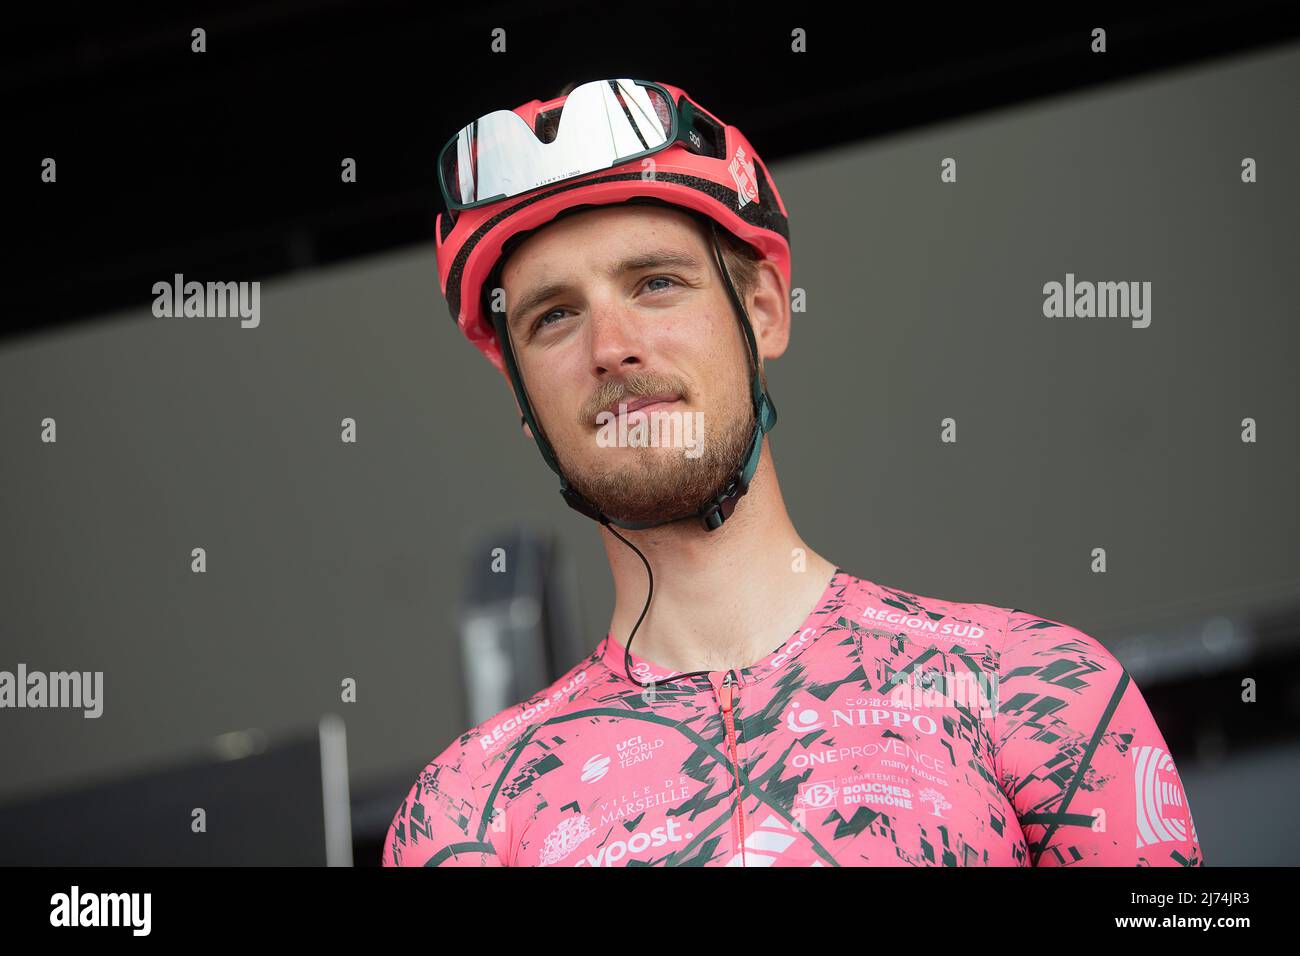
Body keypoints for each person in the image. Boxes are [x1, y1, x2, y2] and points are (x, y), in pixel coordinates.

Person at [383, 78, 1202, 867]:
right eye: (554, 316)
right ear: (522, 397)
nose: (611, 347)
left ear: (766, 311)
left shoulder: (1038, 692)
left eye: (657, 283)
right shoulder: (464, 814)